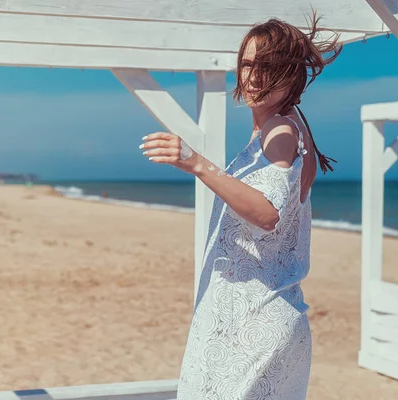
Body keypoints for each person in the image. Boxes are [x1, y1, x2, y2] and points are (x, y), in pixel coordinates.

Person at [139, 13, 342, 400]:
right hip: (267, 316)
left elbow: (268, 214)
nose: (254, 77)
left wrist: (195, 162)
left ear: (290, 73)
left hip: (251, 323)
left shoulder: (279, 131)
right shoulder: (293, 124)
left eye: (269, 67)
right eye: (247, 64)